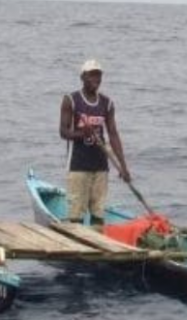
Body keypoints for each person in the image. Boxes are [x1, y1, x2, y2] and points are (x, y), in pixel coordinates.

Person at [58, 59, 131, 227]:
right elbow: (63, 132)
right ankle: (77, 243)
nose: (96, 79)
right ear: (83, 77)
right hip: (78, 164)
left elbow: (113, 134)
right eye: (92, 75)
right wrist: (81, 133)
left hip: (100, 164)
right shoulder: (71, 100)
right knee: (76, 212)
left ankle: (97, 241)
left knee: (98, 212)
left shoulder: (107, 103)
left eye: (99, 75)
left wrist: (123, 167)